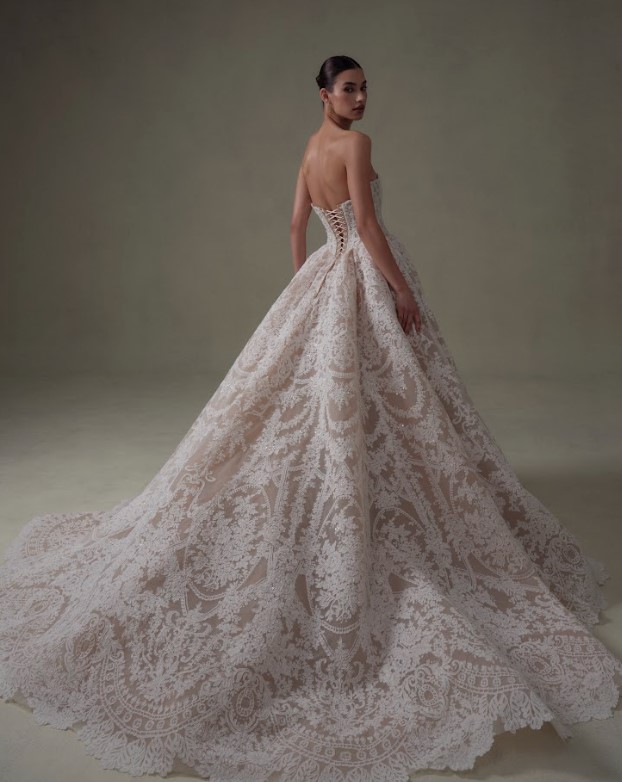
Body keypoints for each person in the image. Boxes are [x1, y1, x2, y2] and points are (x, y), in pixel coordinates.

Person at [0, 54, 620, 781]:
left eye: (365, 88)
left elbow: (299, 221)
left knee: (340, 404)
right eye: (349, 88)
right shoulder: (354, 146)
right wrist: (399, 292)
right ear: (326, 93)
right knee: (391, 402)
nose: (361, 98)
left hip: (325, 276)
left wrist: (305, 282)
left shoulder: (309, 146)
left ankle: (345, 488)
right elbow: (366, 228)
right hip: (360, 277)